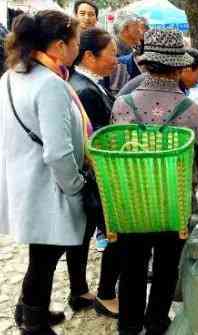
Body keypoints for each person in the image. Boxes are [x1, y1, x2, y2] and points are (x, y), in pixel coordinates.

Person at [111, 29, 198, 335]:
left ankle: (128, 325)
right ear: (180, 67)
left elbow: (112, 152)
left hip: (132, 204)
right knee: (167, 267)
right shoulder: (192, 111)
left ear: (145, 63)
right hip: (174, 204)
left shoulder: (122, 104)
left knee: (131, 267)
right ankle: (157, 322)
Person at [0, 11, 87, 335]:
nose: (78, 46)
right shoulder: (50, 84)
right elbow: (57, 152)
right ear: (59, 45)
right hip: (48, 184)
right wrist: (76, 188)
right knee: (45, 257)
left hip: (25, 178)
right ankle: (33, 324)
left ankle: (27, 309)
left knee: (40, 253)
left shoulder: (13, 75)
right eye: (76, 41)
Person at [68, 27, 121, 319]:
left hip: (88, 175)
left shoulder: (84, 82)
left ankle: (78, 291)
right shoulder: (85, 89)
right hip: (96, 175)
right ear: (89, 56)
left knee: (82, 234)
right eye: (111, 53)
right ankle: (105, 294)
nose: (116, 60)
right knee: (116, 234)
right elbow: (100, 139)